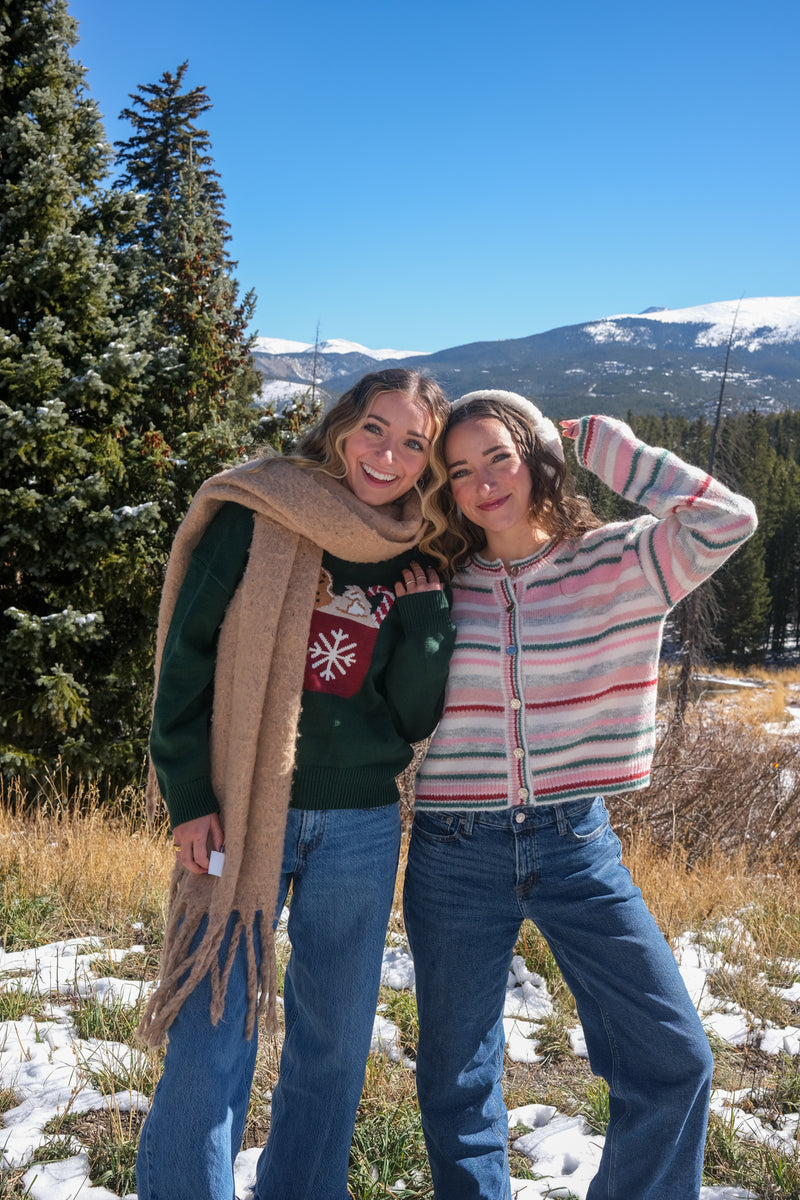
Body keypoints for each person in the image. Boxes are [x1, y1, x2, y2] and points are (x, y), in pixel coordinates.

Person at [403, 390, 758, 1200]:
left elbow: (726, 520)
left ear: (537, 459)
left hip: (573, 844)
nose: (484, 483)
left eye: (500, 457)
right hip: (454, 851)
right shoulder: (442, 579)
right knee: (456, 1075)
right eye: (461, 471)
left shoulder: (620, 560)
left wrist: (609, 449)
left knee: (674, 1058)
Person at [136, 368, 456, 1200]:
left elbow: (413, 717)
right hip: (243, 809)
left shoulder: (418, 549)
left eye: (414, 443)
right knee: (212, 1025)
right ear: (343, 425)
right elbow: (184, 660)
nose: (388, 455)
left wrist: (425, 624)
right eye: (375, 428)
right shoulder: (259, 510)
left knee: (335, 1040)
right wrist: (188, 798)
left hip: (361, 825)